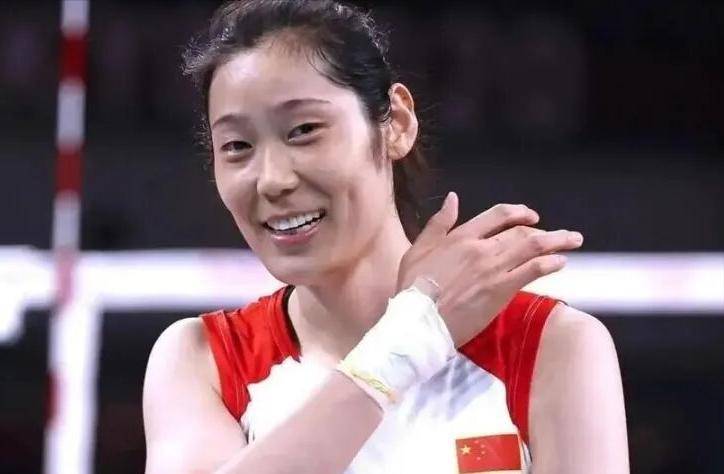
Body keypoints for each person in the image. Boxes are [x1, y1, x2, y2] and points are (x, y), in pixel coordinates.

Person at [142, 1, 629, 473]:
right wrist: (407, 342)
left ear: (396, 123)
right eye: (237, 146)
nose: (271, 180)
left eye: (304, 130)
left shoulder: (550, 347)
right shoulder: (202, 360)